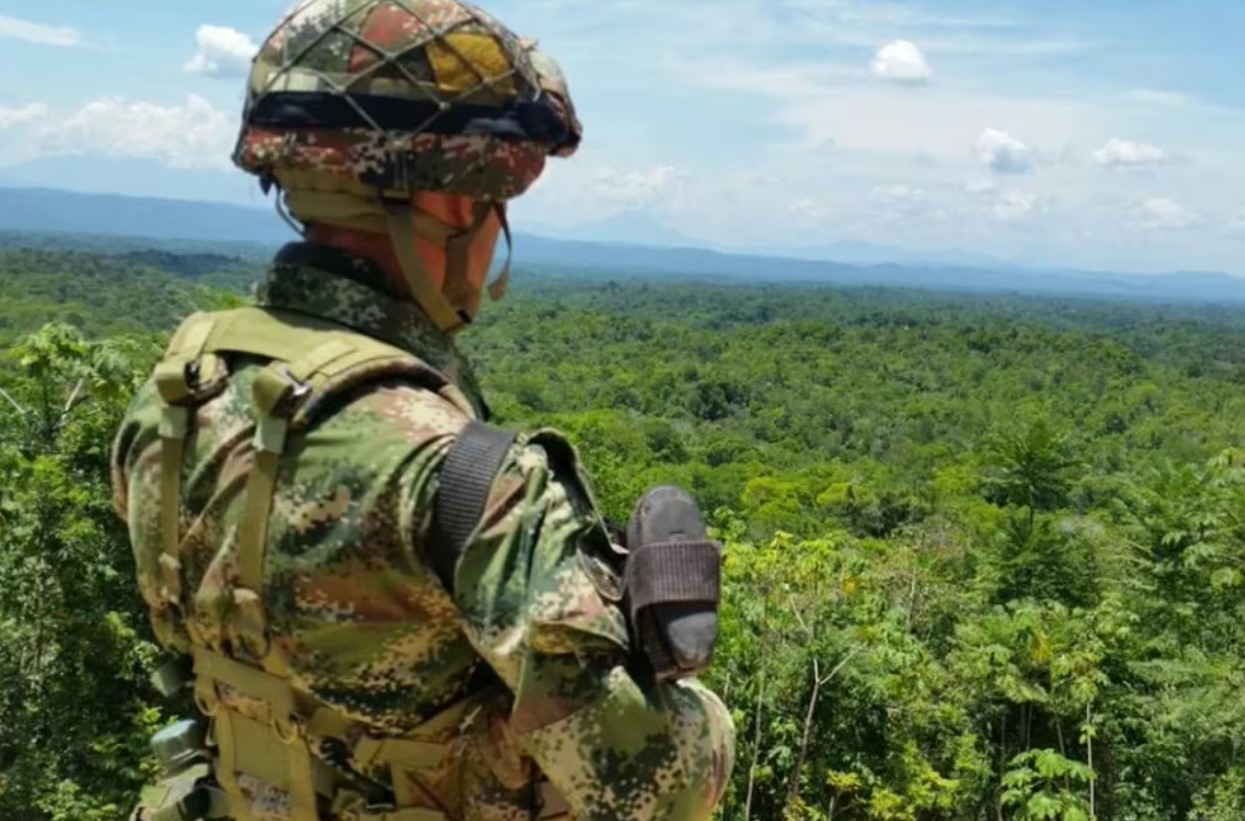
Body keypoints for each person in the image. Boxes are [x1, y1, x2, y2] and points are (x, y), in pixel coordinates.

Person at [110, 2, 735, 820]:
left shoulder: (181, 393)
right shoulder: (466, 479)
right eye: (494, 207)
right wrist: (697, 709)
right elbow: (652, 785)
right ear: (447, 207)